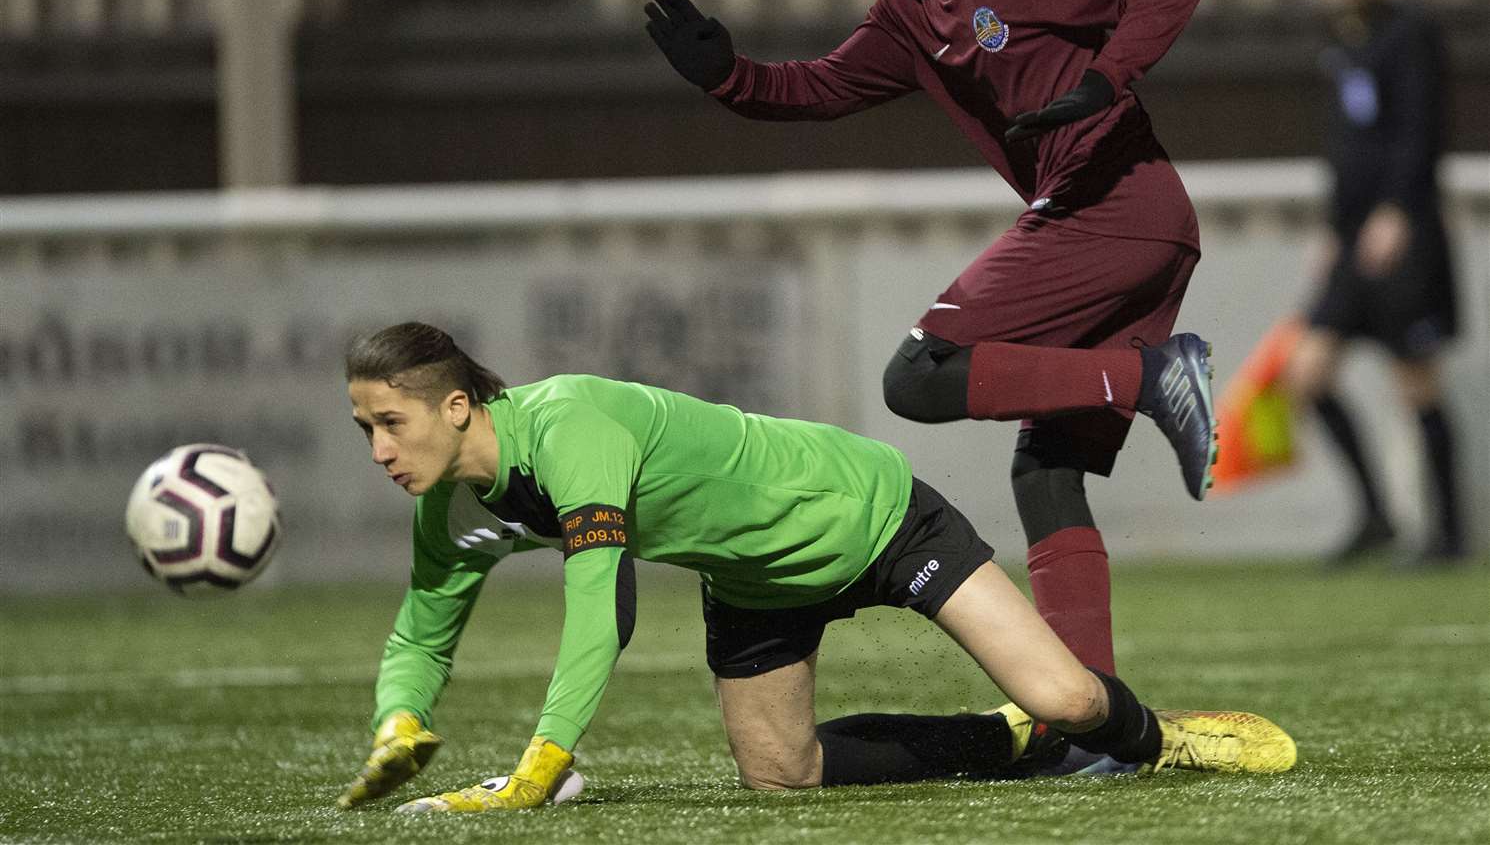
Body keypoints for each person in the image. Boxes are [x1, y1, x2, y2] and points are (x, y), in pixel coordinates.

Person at [644, 0, 1213, 681]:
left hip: (1116, 207)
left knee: (919, 374)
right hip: (1111, 223)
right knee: (1046, 471)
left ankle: (1154, 378)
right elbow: (821, 87)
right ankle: (1092, 718)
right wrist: (728, 76)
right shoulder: (914, 5)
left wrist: (1104, 81)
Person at [334, 322, 1295, 813]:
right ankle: (1008, 742)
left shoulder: (571, 424)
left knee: (1077, 702)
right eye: (364, 429)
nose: (377, 448)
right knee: (779, 776)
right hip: (754, 582)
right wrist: (398, 723)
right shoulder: (448, 510)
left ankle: (1159, 735)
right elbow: (423, 629)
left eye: (390, 422)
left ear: (458, 405)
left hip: (866, 514)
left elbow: (601, 610)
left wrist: (543, 760)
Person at [1284, 0, 1465, 564]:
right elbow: (1345, 148)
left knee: (1415, 379)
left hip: (1402, 232)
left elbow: (1421, 131)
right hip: (1352, 238)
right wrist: (1333, 230)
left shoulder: (1409, 32)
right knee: (1307, 373)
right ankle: (1377, 517)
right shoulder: (1338, 41)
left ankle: (1450, 535)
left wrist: (1396, 209)